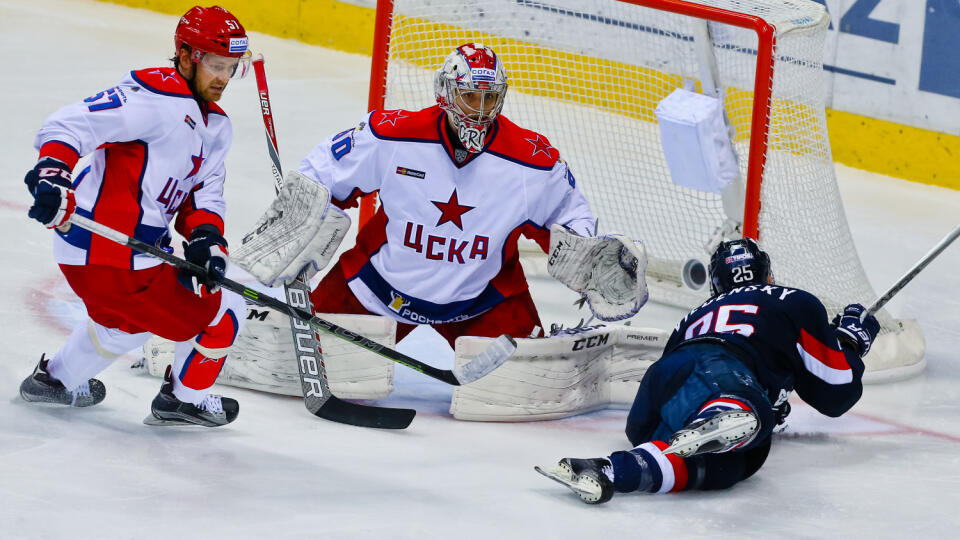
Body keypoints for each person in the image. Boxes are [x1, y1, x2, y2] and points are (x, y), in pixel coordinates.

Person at [233, 42, 647, 351]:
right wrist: (302, 218)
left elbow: (569, 216)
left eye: (490, 97)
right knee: (299, 353)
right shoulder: (392, 134)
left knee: (514, 385)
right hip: (378, 288)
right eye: (470, 96)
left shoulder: (532, 161)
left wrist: (589, 255)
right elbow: (323, 174)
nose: (481, 109)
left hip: (482, 300)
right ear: (446, 93)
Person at [19, 5, 251, 427]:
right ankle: (185, 401)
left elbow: (204, 194)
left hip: (106, 259)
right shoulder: (153, 97)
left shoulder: (216, 126)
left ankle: (55, 381)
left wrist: (206, 239)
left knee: (127, 323)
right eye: (217, 65)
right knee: (225, 305)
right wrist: (53, 176)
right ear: (186, 56)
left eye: (232, 67)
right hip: (109, 250)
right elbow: (69, 125)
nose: (224, 77)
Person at [536, 238, 881, 503]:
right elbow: (836, 392)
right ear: (769, 275)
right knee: (750, 411)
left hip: (660, 392)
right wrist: (849, 340)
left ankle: (610, 470)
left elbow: (665, 388)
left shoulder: (693, 316)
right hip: (719, 374)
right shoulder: (792, 300)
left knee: (736, 463)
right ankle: (729, 410)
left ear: (715, 286)